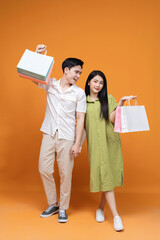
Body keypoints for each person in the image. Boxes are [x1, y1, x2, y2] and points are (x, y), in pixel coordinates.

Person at [35, 44, 86, 223]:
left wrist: (77, 143)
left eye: (80, 73)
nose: (79, 76)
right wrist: (40, 55)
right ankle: (53, 203)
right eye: (76, 72)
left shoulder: (79, 93)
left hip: (67, 137)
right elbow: (34, 76)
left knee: (65, 173)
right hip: (49, 132)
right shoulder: (51, 85)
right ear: (66, 70)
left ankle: (63, 207)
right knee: (44, 168)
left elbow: (80, 119)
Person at [80, 70, 136, 231]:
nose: (98, 85)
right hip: (95, 147)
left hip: (110, 143)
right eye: (95, 81)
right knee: (106, 178)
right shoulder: (82, 102)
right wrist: (78, 145)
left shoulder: (108, 99)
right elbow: (83, 127)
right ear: (89, 82)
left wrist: (121, 103)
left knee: (107, 178)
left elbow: (112, 119)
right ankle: (113, 214)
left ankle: (104, 211)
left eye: (101, 82)